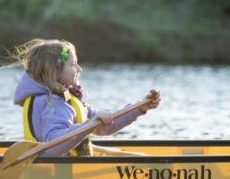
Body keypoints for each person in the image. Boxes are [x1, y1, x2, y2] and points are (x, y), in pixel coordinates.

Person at [11, 38, 160, 156]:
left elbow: (106, 126)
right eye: (73, 65)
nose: (79, 69)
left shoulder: (67, 100)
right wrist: (88, 126)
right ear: (54, 71)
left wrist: (139, 109)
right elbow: (53, 147)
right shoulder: (52, 104)